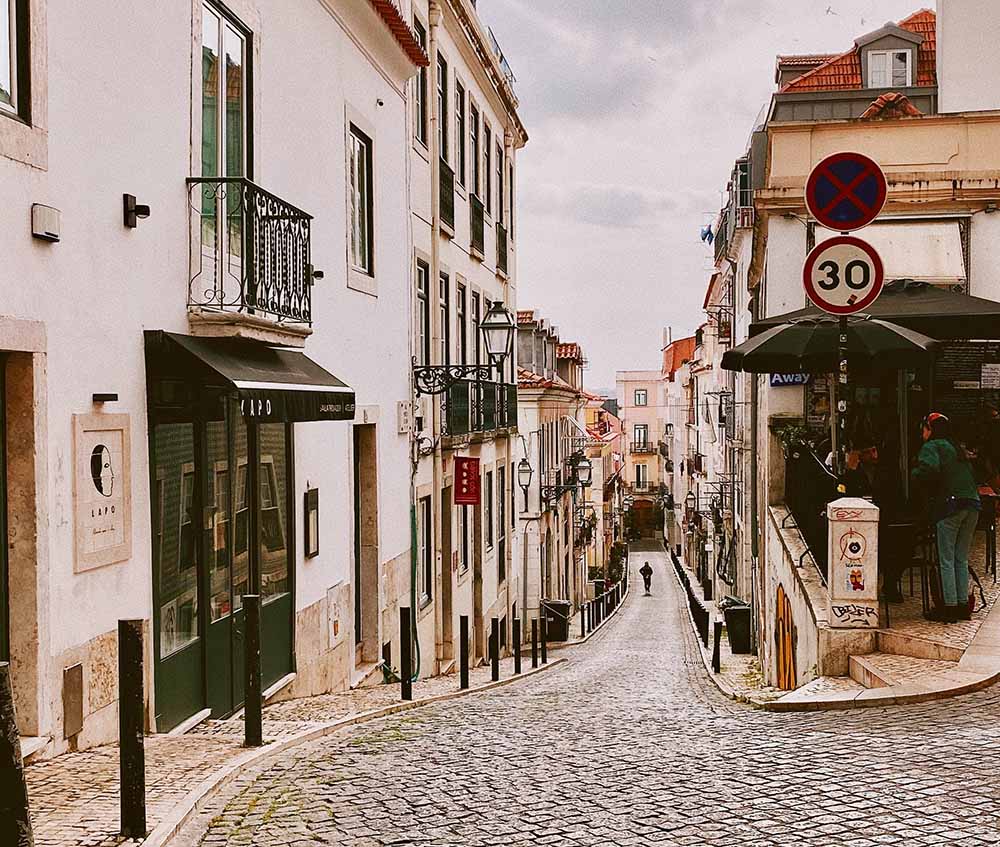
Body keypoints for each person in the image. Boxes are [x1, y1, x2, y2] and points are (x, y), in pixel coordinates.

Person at [911, 412, 981, 622]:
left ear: (930, 429)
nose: (922, 433)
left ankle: (949, 608)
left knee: (946, 559)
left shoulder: (932, 447)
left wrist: (913, 474)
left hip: (951, 507)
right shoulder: (956, 448)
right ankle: (962, 606)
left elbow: (928, 469)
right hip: (973, 505)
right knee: (960, 558)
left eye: (924, 428)